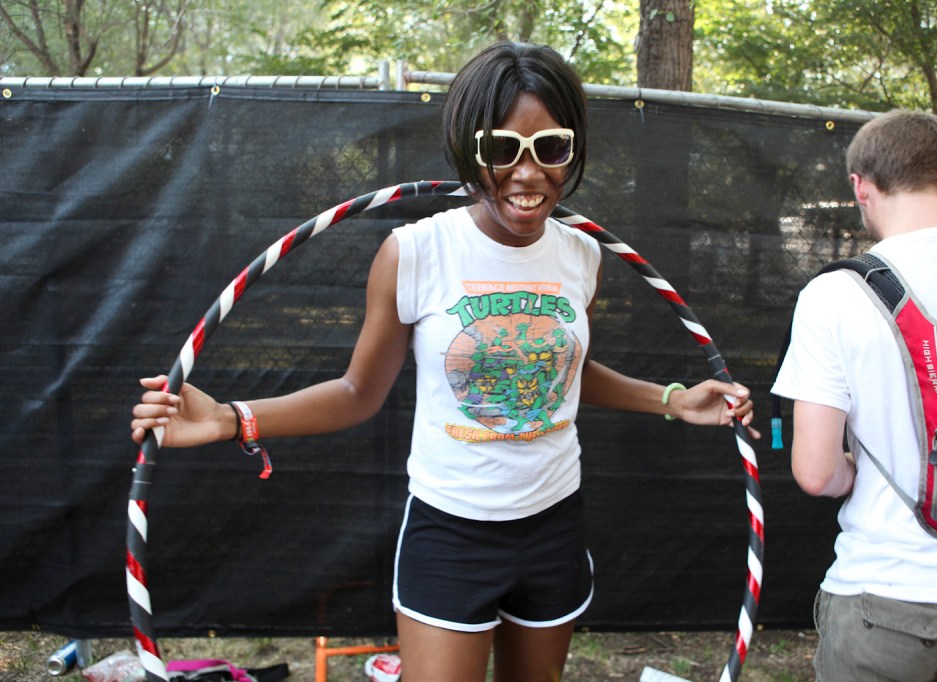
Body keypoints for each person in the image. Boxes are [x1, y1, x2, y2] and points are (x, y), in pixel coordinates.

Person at [130, 42, 757, 682]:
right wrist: (232, 418)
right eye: (501, 149)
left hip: (555, 525)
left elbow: (564, 376)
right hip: (451, 533)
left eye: (551, 147)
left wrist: (672, 399)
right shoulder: (416, 252)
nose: (528, 171)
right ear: (468, 148)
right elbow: (356, 392)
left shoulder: (582, 256)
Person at [772, 109, 937, 681]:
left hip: (885, 597)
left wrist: (854, 470)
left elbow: (817, 473)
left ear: (860, 187)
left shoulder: (834, 295)